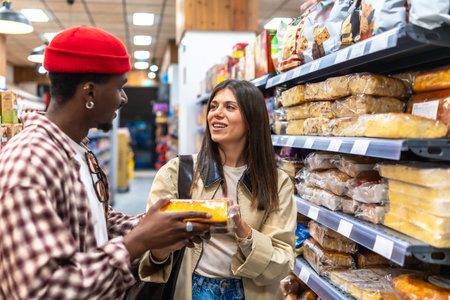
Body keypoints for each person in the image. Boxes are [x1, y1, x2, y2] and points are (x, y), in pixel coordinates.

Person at [0, 26, 212, 300]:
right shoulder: (29, 164)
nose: (123, 98)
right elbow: (43, 290)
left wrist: (163, 224)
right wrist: (139, 242)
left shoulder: (77, 150)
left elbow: (98, 222)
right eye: (120, 87)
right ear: (89, 93)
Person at [139, 79, 297, 299]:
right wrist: (166, 240)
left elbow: (282, 261)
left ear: (252, 120)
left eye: (230, 107)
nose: (216, 113)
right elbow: (148, 247)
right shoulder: (177, 172)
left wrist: (243, 230)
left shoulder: (276, 183)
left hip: (251, 291)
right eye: (213, 106)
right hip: (192, 289)